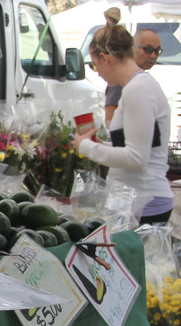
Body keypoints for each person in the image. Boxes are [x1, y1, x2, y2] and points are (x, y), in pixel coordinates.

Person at [73, 16, 173, 225]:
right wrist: (101, 145)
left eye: (94, 65)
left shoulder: (138, 89)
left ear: (104, 58)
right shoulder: (136, 87)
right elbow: (141, 144)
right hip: (136, 201)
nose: (98, 73)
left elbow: (136, 158)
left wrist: (87, 147)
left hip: (144, 203)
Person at [105, 26, 162, 124]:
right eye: (148, 49)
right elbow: (110, 120)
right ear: (132, 47)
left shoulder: (139, 79)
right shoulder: (122, 79)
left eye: (157, 51)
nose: (153, 55)